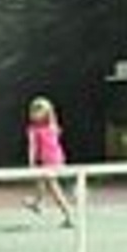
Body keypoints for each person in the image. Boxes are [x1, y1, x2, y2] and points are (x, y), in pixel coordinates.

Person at [23, 96, 73, 227]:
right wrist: (33, 162)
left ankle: (69, 215)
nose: (33, 114)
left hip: (53, 161)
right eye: (32, 111)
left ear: (45, 113)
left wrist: (31, 162)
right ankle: (37, 203)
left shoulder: (51, 126)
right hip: (49, 161)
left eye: (36, 111)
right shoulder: (35, 128)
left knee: (53, 188)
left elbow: (33, 147)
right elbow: (33, 146)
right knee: (41, 182)